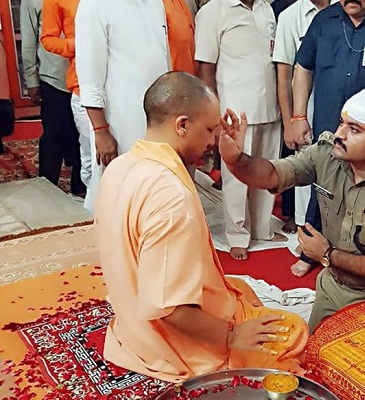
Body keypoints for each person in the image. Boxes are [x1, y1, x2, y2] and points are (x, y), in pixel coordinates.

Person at [95, 71, 308, 383]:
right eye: (209, 130)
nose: (212, 141)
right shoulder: (169, 195)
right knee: (293, 334)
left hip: (131, 325)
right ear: (182, 125)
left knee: (242, 288)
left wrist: (233, 155)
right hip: (169, 345)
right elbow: (170, 309)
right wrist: (232, 335)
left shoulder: (120, 166)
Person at [220, 88, 365, 332]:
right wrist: (236, 160)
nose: (339, 134)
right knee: (311, 361)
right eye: (342, 123)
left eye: (354, 129)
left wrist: (327, 254)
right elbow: (272, 174)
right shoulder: (327, 156)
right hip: (330, 290)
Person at [289, 0, 365, 277]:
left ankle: (354, 255)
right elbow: (303, 68)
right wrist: (297, 116)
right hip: (329, 124)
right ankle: (309, 251)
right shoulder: (323, 20)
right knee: (322, 187)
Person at [75, 0, 195, 212]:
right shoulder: (94, 5)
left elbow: (164, 63)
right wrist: (101, 130)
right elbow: (90, 80)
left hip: (158, 121)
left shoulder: (155, 3)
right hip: (119, 124)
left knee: (158, 191)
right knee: (119, 198)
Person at [195, 0, 286, 261]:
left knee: (266, 171)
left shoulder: (266, 9)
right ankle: (237, 235)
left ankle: (261, 230)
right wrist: (212, 116)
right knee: (236, 176)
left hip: (269, 109)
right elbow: (206, 68)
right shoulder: (213, 11)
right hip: (234, 112)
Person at [272, 0, 333, 248]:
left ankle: (333, 238)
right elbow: (284, 74)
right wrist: (291, 121)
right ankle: (306, 238)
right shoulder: (289, 16)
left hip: (339, 105)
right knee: (306, 172)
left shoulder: (344, 10)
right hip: (304, 110)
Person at [21, 0, 85, 196]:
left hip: (85, 78)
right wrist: (31, 79)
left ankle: (80, 187)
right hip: (54, 79)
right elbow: (29, 42)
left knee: (81, 135)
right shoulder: (32, 2)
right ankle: (46, 187)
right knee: (53, 135)